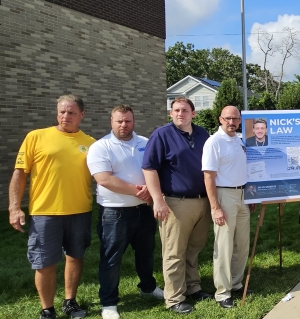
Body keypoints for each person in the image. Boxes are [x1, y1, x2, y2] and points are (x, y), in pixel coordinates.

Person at [8, 95, 96, 319]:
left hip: (80, 211)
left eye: (71, 112)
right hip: (45, 213)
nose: (65, 116)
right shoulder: (36, 137)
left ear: (82, 115)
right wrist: (14, 207)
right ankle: (47, 309)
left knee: (75, 256)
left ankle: (70, 301)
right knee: (44, 262)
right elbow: (20, 174)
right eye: (62, 112)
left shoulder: (91, 143)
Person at [86, 105, 164, 319]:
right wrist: (138, 191)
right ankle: (109, 303)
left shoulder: (145, 143)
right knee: (111, 259)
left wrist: (151, 190)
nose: (124, 125)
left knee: (146, 253)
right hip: (114, 213)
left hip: (143, 211)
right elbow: (103, 178)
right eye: (119, 121)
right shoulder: (100, 147)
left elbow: (155, 170)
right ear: (111, 121)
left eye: (127, 121)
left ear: (133, 121)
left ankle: (147, 287)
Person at [142, 96, 213, 314]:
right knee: (174, 252)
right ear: (171, 114)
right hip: (175, 203)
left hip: (203, 201)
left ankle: (193, 287)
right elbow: (149, 168)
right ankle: (174, 297)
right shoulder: (162, 135)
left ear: (194, 113)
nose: (179, 113)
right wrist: (158, 200)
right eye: (175, 110)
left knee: (194, 249)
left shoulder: (203, 134)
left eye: (184, 110)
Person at [202, 106, 253, 309]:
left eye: (236, 119)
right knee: (224, 246)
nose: (232, 122)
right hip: (224, 195)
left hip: (242, 195)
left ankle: (236, 282)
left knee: (242, 243)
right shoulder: (214, 142)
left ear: (240, 120)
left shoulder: (240, 140)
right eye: (228, 118)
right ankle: (223, 292)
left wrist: (249, 197)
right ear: (220, 119)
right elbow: (208, 176)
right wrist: (215, 207)